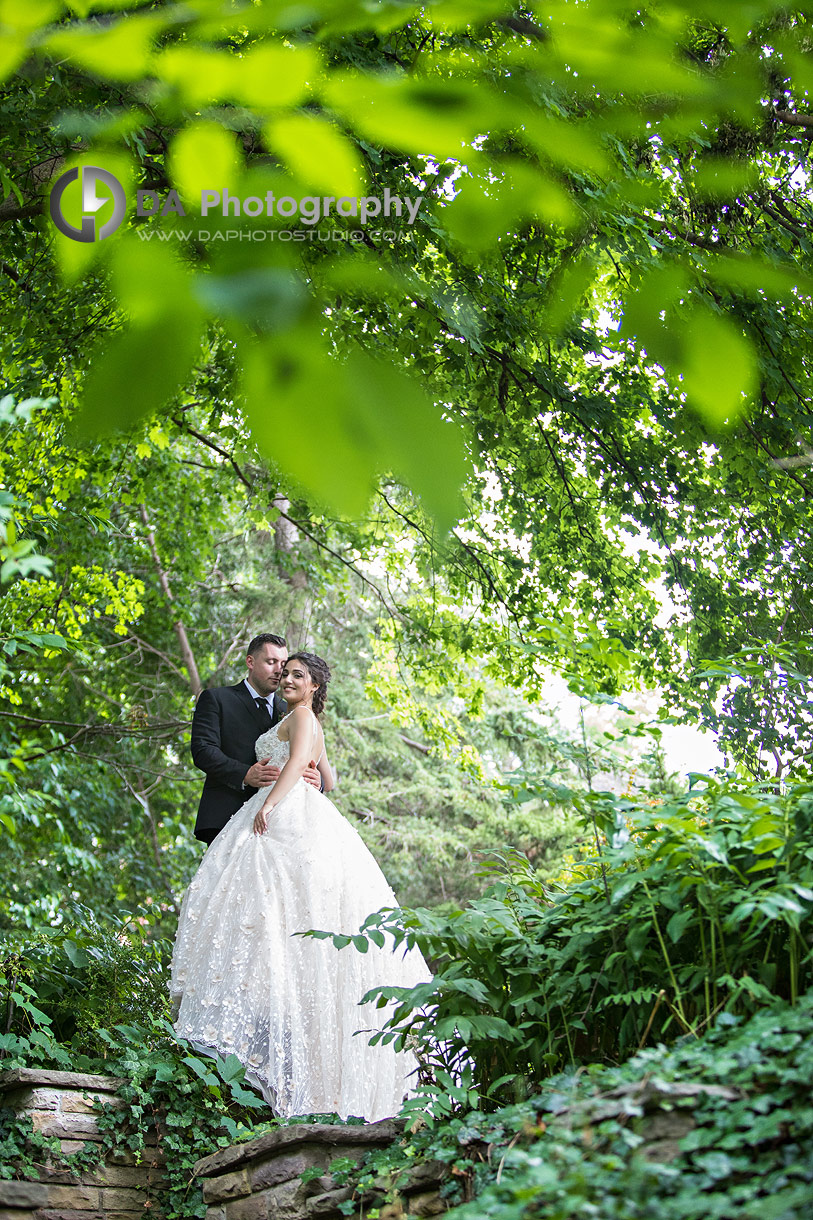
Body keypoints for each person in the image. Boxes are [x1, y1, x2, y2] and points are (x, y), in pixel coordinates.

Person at [171, 652, 430, 1121]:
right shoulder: (301, 718)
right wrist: (310, 771)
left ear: (314, 686)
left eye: (296, 674)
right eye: (283, 671)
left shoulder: (303, 716)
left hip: (285, 813)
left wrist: (272, 801)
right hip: (295, 805)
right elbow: (327, 778)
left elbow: (298, 769)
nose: (286, 678)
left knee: (272, 908)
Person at [190, 633, 332, 844]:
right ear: (250, 661)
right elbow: (203, 750)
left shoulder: (292, 710)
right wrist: (244, 774)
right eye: (271, 662)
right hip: (227, 812)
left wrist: (317, 783)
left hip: (281, 819)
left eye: (282, 664)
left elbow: (307, 761)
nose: (279, 671)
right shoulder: (218, 699)